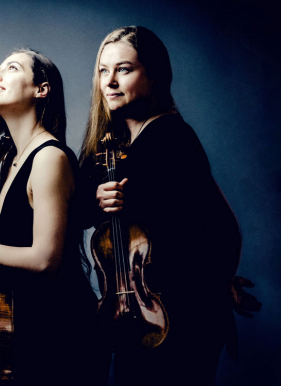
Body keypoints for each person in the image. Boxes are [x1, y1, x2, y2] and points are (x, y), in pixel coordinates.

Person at [78, 26, 248, 385]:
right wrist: (95, 200)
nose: (109, 81)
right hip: (135, 312)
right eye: (103, 71)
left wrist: (217, 282)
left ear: (153, 76)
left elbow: (220, 228)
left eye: (124, 69)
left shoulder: (171, 137)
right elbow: (76, 212)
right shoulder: (112, 142)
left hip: (180, 312)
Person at [0, 49, 97, 385]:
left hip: (59, 328)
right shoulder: (12, 160)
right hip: (26, 323)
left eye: (11, 68)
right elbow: (13, 250)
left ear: (41, 89)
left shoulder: (50, 157)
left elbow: (46, 258)